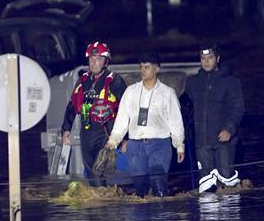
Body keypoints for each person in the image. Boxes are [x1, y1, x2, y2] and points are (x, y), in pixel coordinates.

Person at [106, 53, 185, 197]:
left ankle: (161, 214)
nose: (143, 70)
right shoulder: (131, 92)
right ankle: (143, 216)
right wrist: (113, 140)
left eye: (147, 67)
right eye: (141, 67)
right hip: (136, 146)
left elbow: (175, 121)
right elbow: (122, 119)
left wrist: (179, 145)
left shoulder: (167, 93)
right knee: (140, 187)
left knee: (158, 181)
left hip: (160, 144)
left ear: (157, 69)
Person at [61, 41, 127, 185]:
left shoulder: (115, 81)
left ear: (106, 61)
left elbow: (127, 109)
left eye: (98, 59)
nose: (94, 63)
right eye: (91, 59)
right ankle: (99, 203)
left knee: (99, 173)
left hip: (105, 132)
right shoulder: (83, 80)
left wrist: (124, 137)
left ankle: (104, 203)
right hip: (87, 131)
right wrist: (66, 129)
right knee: (91, 174)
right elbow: (72, 105)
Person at [183, 44, 245, 193]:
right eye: (203, 58)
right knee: (206, 184)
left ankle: (228, 214)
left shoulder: (231, 82)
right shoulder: (193, 82)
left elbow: (238, 108)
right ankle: (209, 215)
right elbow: (187, 107)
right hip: (202, 143)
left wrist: (229, 128)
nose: (206, 62)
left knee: (226, 182)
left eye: (210, 58)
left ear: (217, 58)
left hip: (224, 141)